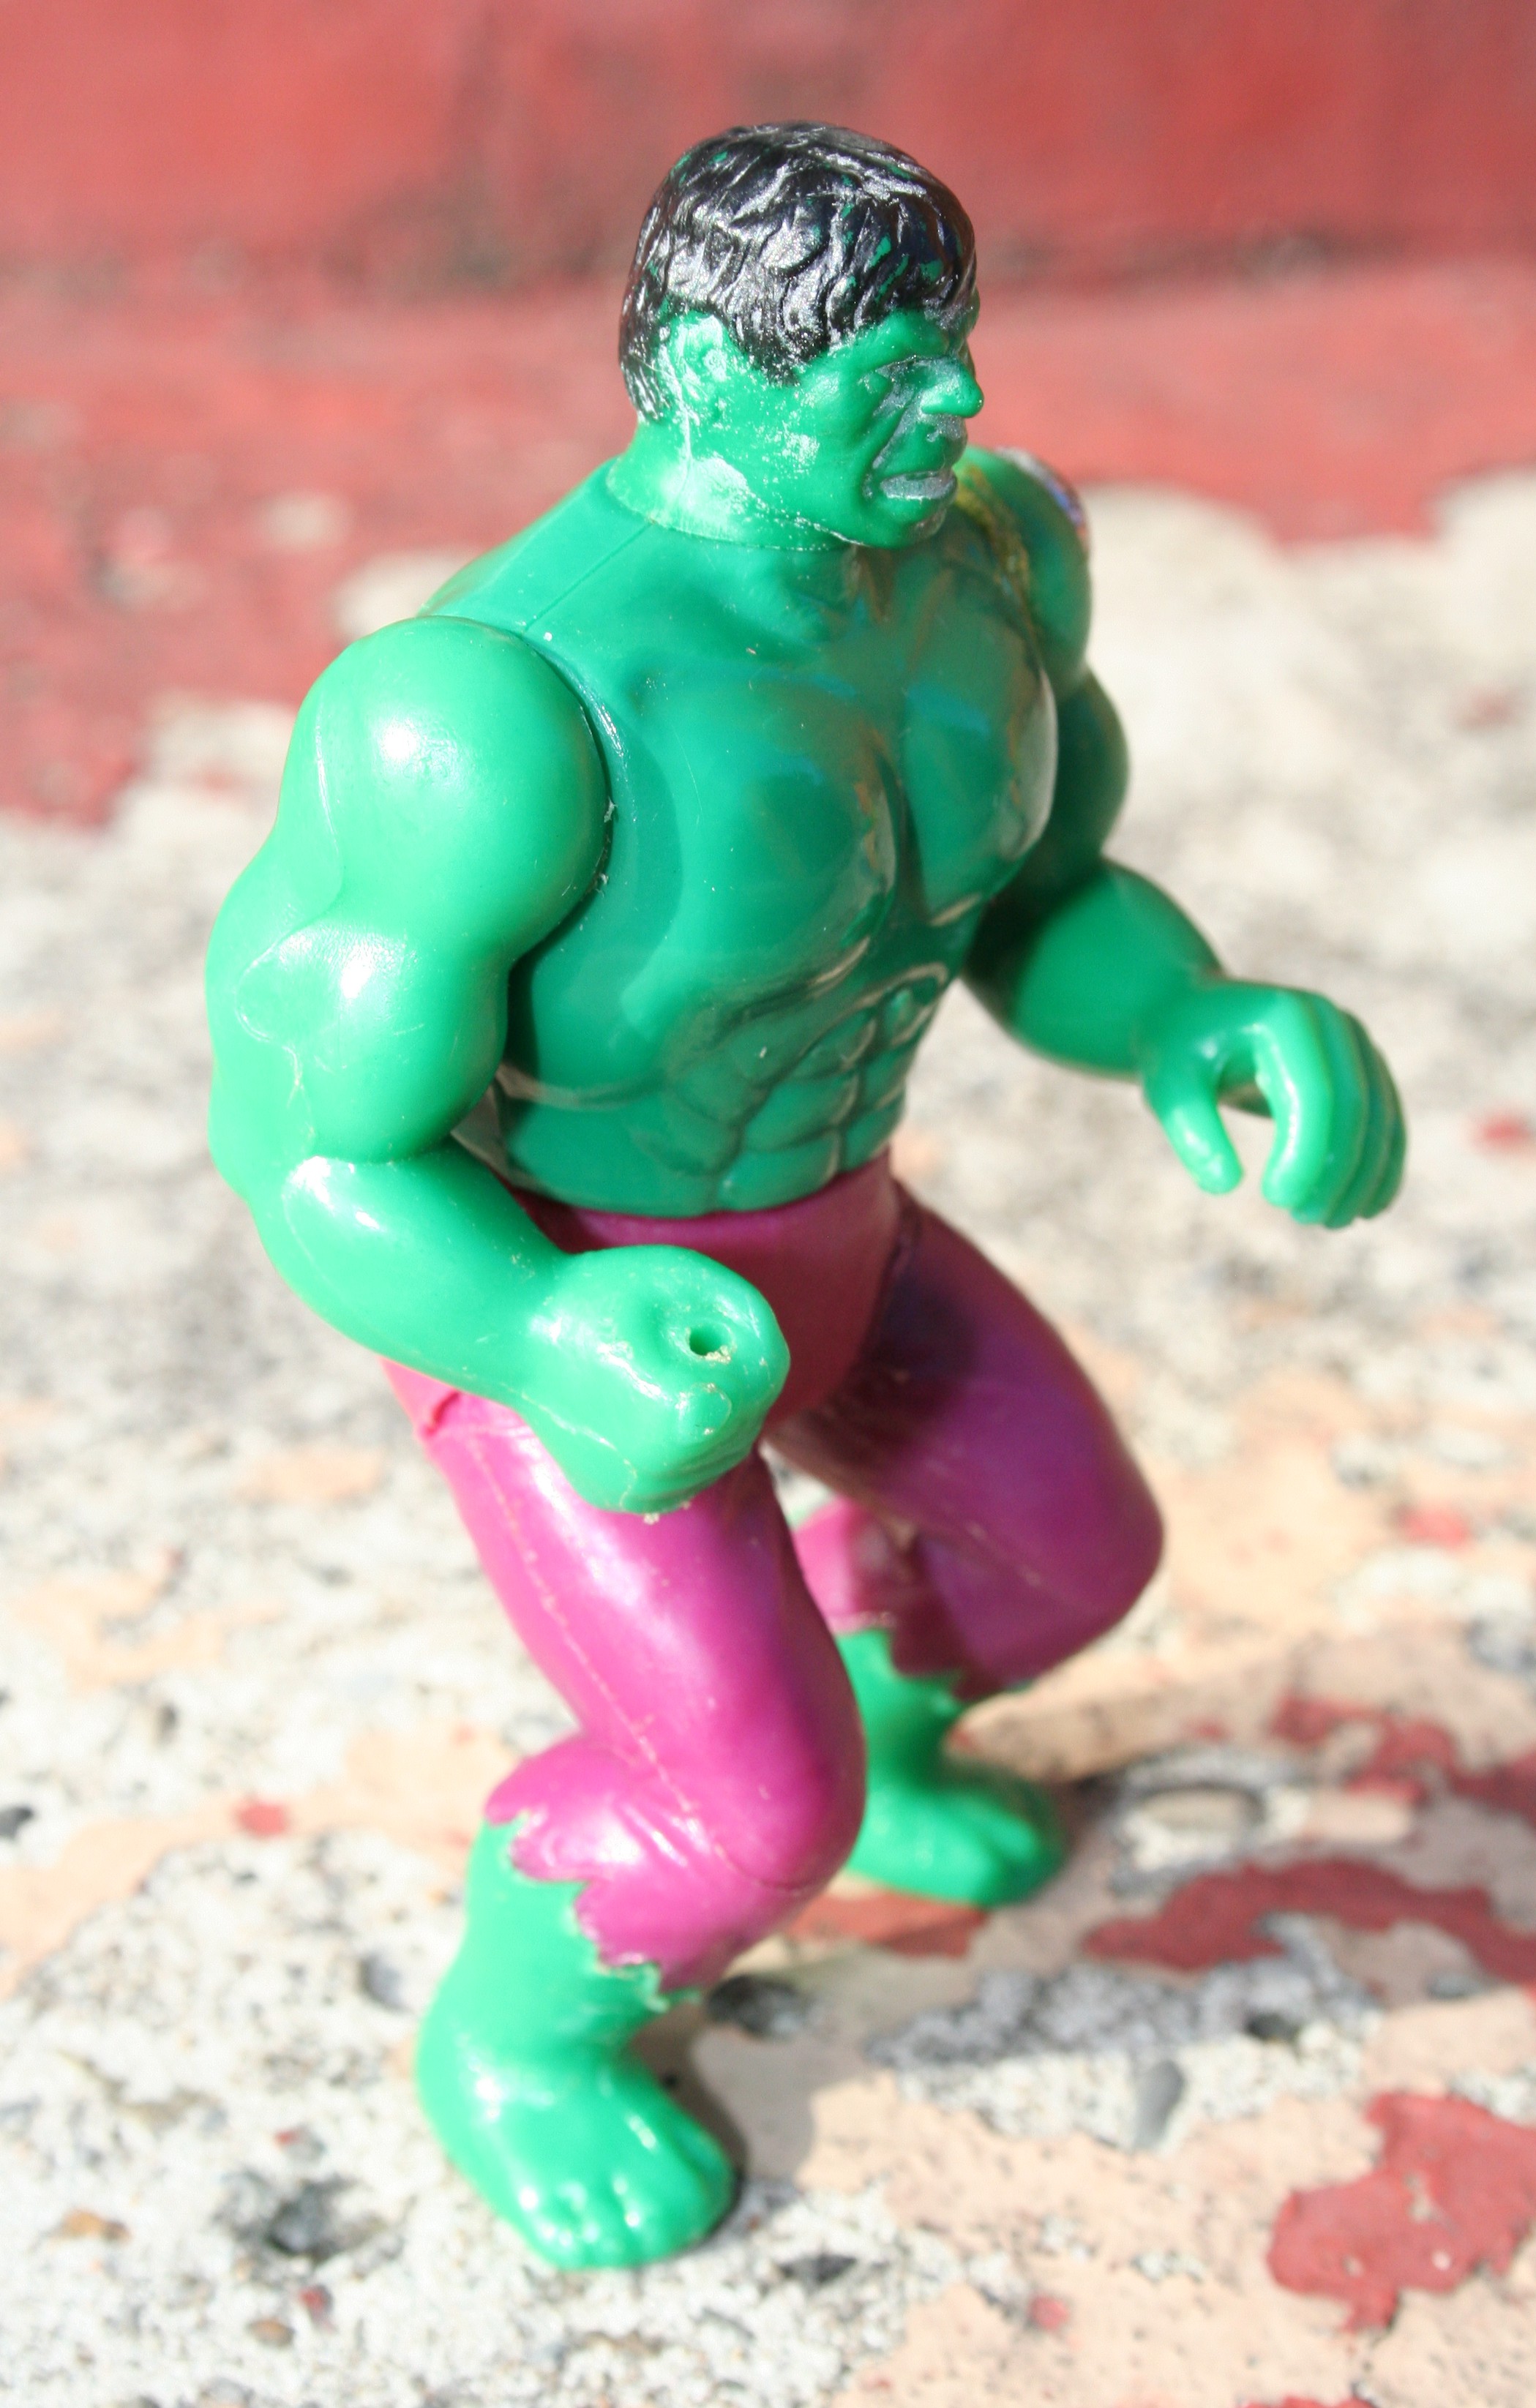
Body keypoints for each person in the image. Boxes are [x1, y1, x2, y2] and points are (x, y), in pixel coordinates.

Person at [206, 123, 1405, 2268]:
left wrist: (1187, 1014)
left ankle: (865, 1711)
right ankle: (524, 2033)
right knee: (750, 1816)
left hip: (843, 1230)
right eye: (884, 376)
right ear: (699, 368)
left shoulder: (993, 568)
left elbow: (1043, 898)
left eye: (955, 347)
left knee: (1074, 1553)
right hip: (568, 1299)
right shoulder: (483, 719)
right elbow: (312, 1145)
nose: (955, 405)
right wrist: (534, 1330)